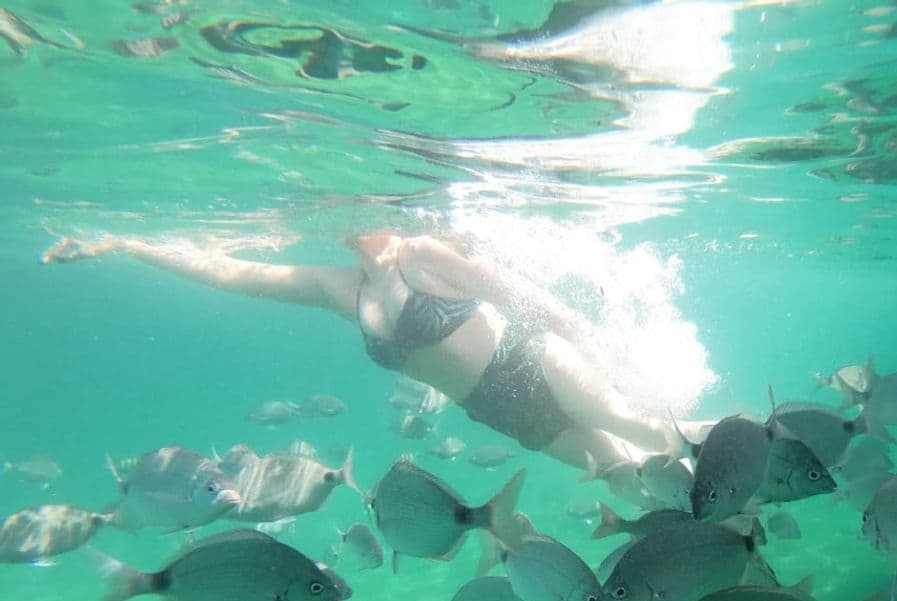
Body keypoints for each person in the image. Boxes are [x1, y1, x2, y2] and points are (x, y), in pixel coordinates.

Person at [42, 230, 682, 471]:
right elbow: (230, 272)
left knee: (633, 427)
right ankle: (730, 527)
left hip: (533, 360)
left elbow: (522, 298)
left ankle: (729, 452)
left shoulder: (423, 254)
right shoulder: (335, 289)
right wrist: (131, 245)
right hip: (494, 410)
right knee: (625, 480)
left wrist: (596, 347)